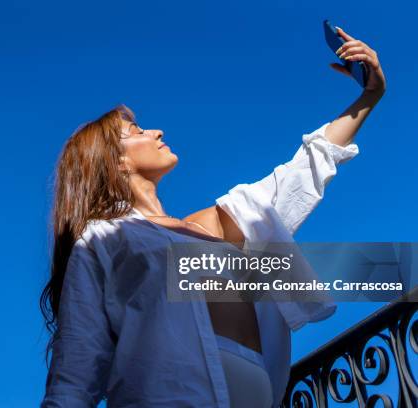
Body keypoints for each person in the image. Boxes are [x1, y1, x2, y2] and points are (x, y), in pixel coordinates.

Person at [40, 27, 386, 407]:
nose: (156, 131)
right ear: (114, 161)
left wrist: (369, 96)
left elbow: (301, 173)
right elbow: (76, 368)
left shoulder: (208, 226)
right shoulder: (103, 241)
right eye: (136, 131)